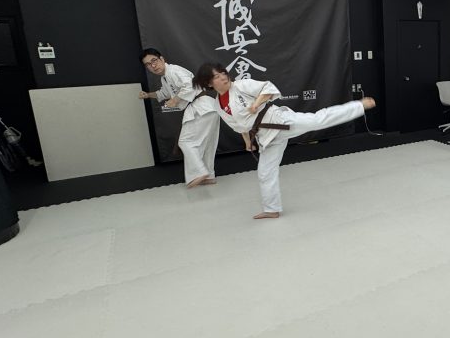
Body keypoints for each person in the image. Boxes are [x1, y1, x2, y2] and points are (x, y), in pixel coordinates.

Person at [194, 63, 376, 219]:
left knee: (318, 120)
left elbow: (268, 88)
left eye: (223, 73)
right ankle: (271, 209)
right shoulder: (218, 105)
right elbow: (239, 126)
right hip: (266, 137)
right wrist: (247, 142)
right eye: (216, 76)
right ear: (209, 83)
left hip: (279, 121)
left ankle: (358, 105)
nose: (223, 77)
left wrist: (256, 104)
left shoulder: (241, 85)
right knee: (265, 172)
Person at [138, 48, 220, 187]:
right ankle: (209, 176)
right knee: (207, 144)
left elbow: (190, 86)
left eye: (154, 61)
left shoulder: (174, 71)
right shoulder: (165, 77)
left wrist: (175, 100)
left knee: (185, 141)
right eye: (148, 64)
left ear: (162, 59)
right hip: (206, 108)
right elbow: (163, 93)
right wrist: (148, 95)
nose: (153, 65)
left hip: (201, 107)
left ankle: (199, 172)